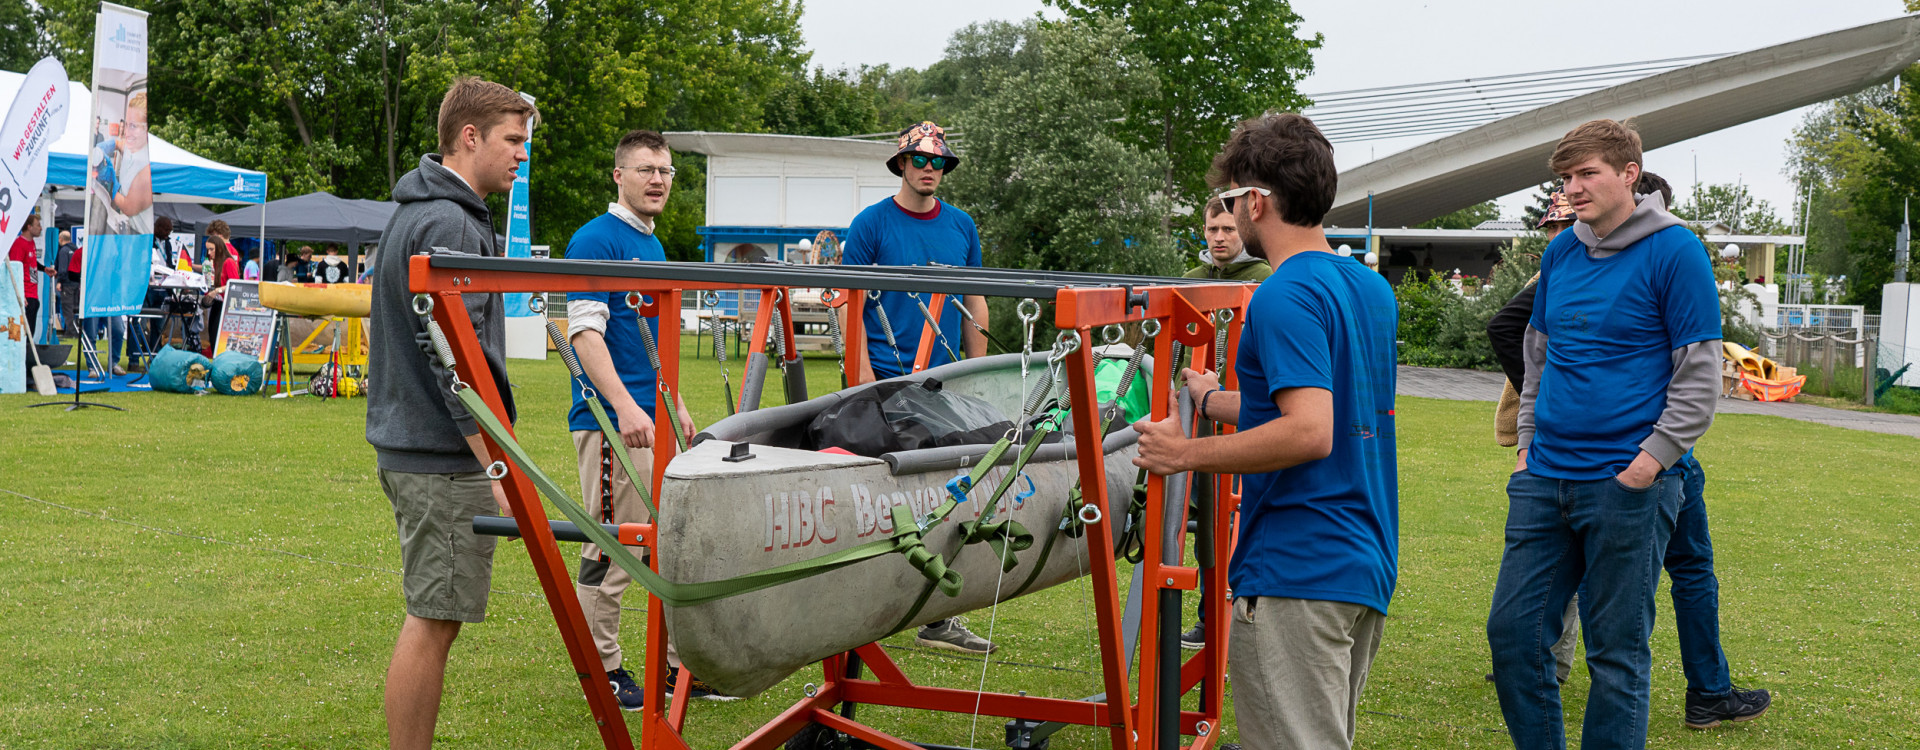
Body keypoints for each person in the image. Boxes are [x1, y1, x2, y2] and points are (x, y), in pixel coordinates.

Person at [1133, 112, 1399, 750]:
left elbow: (1310, 432)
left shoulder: (1282, 295)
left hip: (1298, 569)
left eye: (1229, 201)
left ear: (1255, 201)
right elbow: (1334, 400)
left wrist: (1184, 452)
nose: (1227, 215)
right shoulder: (1368, 287)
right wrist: (1218, 400)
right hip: (1359, 561)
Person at [1485, 174, 1770, 728]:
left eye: (1583, 176)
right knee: (1541, 627)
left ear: (1630, 179)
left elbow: (1699, 368)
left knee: (1668, 588)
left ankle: (1709, 689)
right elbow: (1521, 338)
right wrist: (1532, 439)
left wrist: (1651, 457)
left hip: (1652, 462)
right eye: (1567, 178)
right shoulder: (1566, 251)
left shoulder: (1672, 248)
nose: (1572, 190)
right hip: (1571, 469)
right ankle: (1709, 690)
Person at [365, 76, 536, 750]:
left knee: (437, 616)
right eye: (513, 141)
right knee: (432, 620)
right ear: (471, 137)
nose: (521, 155)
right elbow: (451, 357)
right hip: (439, 457)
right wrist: (491, 458)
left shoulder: (423, 210)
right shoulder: (447, 220)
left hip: (421, 448)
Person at [563, 129, 721, 708]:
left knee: (670, 546)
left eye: (666, 171)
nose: (658, 180)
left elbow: (648, 341)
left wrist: (673, 404)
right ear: (619, 176)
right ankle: (601, 670)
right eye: (646, 169)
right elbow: (584, 334)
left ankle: (677, 671)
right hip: (612, 425)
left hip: (652, 420)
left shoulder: (651, 244)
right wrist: (626, 408)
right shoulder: (595, 241)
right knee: (614, 549)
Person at [841, 121, 996, 655]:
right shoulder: (870, 224)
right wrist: (860, 380)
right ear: (901, 165)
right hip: (885, 380)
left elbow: (976, 300)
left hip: (944, 382)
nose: (931, 169)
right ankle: (863, 608)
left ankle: (940, 616)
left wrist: (978, 374)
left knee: (956, 495)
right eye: (921, 161)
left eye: (940, 163)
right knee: (881, 499)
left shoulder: (961, 226)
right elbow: (851, 303)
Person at [9, 213, 56, 378]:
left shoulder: (31, 243)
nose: (40, 228)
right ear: (29, 227)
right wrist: (20, 296)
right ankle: (20, 369)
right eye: (37, 225)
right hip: (26, 296)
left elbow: (31, 264)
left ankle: (26, 367)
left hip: (33, 294)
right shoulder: (18, 244)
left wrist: (44, 269)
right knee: (22, 334)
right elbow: (14, 270)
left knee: (30, 333)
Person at [1182, 196, 1271, 282]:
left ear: (1244, 231)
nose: (1219, 238)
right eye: (1213, 229)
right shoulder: (1189, 281)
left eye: (1228, 229)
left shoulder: (1266, 278)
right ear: (1205, 231)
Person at [204, 222, 240, 356]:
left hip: (226, 304)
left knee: (218, 337)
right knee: (213, 335)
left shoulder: (229, 260)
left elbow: (235, 283)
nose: (209, 253)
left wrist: (216, 290)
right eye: (208, 250)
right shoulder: (217, 261)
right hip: (219, 302)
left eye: (211, 249)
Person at [56, 230, 80, 336]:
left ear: (60, 239)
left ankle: (71, 332)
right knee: (76, 308)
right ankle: (77, 330)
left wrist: (60, 281)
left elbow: (62, 268)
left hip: (67, 283)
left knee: (67, 308)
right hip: (77, 283)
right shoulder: (76, 250)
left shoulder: (63, 251)